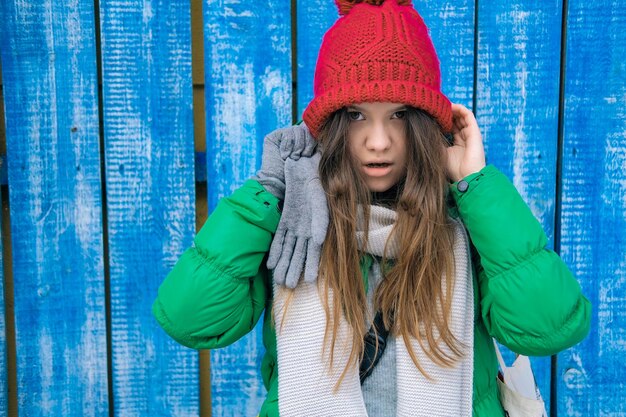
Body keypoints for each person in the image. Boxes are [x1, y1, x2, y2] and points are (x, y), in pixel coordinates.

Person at [152, 1, 591, 415]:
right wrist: (269, 191)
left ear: (423, 125)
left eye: (399, 114)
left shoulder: (463, 222)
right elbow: (191, 317)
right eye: (357, 115)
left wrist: (475, 184)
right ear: (333, 125)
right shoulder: (293, 226)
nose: (378, 142)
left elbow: (550, 324)